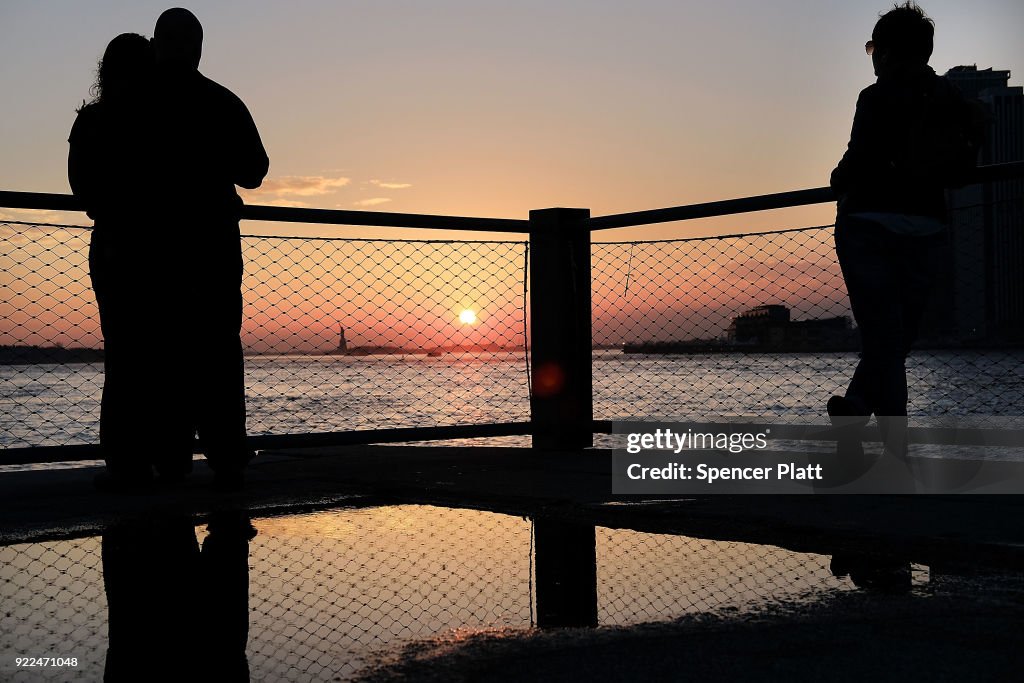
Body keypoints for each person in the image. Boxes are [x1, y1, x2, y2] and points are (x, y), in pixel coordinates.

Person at [828, 2, 984, 460]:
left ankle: (865, 419)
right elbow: (959, 170)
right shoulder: (952, 99)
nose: (872, 57)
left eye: (875, 47)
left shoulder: (875, 98)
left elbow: (851, 167)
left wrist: (840, 177)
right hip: (926, 229)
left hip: (867, 228)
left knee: (883, 338)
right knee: (894, 342)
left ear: (890, 52)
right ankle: (882, 437)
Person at [149, 7, 269, 489]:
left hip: (155, 247)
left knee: (164, 351)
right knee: (218, 350)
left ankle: (171, 456)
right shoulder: (223, 103)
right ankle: (225, 451)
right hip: (214, 244)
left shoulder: (139, 105)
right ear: (199, 48)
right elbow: (255, 170)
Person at [69, 33, 192, 488]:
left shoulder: (92, 122)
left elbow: (82, 189)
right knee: (170, 356)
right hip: (165, 250)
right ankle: (172, 456)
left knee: (122, 356)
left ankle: (125, 458)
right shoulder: (166, 120)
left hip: (114, 247)